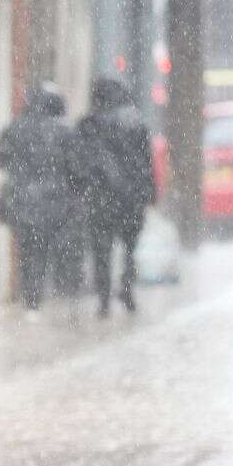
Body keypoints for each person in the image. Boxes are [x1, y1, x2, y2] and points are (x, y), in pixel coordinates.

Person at [0, 82, 81, 315]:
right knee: (44, 247)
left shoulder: (17, 127)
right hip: (53, 200)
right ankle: (38, 295)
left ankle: (30, 296)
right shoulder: (65, 130)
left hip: (21, 198)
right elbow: (75, 167)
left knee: (27, 246)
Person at [77, 77, 155, 317]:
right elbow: (146, 162)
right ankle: (127, 288)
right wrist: (149, 192)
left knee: (102, 249)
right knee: (130, 247)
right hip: (131, 197)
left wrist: (81, 188)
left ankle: (103, 299)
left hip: (100, 198)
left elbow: (80, 161)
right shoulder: (136, 122)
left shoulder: (88, 124)